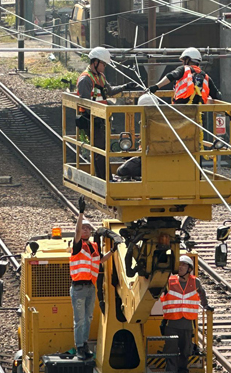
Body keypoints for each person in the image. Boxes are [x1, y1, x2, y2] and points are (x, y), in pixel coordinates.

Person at [76, 47, 139, 180]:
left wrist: (124, 86)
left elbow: (109, 91)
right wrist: (97, 115)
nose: (104, 66)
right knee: (99, 150)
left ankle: (106, 177)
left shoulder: (100, 77)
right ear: (95, 62)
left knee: (103, 149)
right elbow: (85, 102)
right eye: (103, 64)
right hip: (91, 120)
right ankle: (105, 178)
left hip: (100, 118)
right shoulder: (85, 80)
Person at [69, 196, 117, 359]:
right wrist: (81, 213)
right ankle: (80, 347)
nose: (86, 231)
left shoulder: (93, 247)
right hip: (79, 287)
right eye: (84, 229)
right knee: (80, 320)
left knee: (88, 318)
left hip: (90, 287)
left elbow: (100, 261)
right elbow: (76, 232)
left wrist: (112, 252)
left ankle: (84, 345)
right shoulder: (77, 245)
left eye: (88, 229)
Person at [160, 255, 213, 373]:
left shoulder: (195, 282)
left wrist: (205, 305)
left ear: (189, 268)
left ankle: (183, 370)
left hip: (188, 325)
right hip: (171, 324)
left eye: (184, 265)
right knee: (171, 352)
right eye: (179, 264)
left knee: (186, 352)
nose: (180, 267)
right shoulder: (169, 281)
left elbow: (202, 293)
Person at [146, 48, 222, 104]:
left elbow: (170, 76)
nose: (183, 62)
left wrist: (156, 86)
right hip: (198, 113)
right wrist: (226, 111)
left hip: (181, 109)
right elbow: (217, 95)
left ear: (188, 60)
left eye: (183, 60)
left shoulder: (184, 69)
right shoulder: (206, 77)